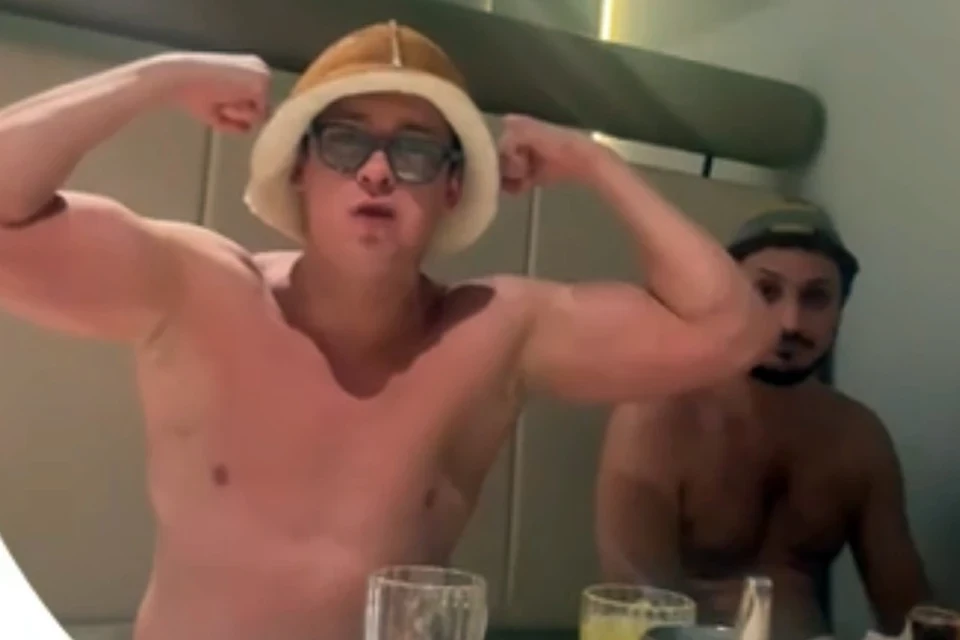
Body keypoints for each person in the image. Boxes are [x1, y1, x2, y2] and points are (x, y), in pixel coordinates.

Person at [0, 20, 775, 640]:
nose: (376, 172)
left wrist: (594, 163)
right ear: (300, 169)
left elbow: (730, 330)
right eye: (346, 142)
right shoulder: (199, 289)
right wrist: (159, 77)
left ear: (451, 187)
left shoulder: (495, 333)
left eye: (413, 151)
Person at [595, 207, 932, 640]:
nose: (790, 322)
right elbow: (638, 602)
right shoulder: (656, 415)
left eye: (815, 298)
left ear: (840, 312)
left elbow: (910, 611)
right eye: (766, 291)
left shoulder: (860, 439)